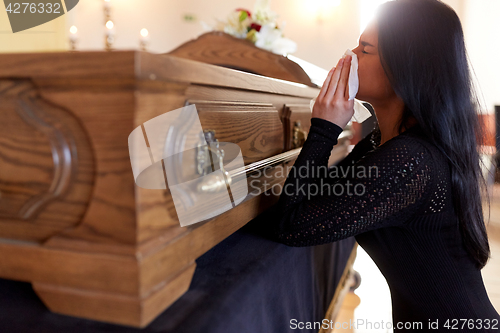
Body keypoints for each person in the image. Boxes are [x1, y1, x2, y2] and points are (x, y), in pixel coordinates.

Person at [268, 0, 500, 330]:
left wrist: (325, 129)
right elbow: (317, 196)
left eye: (364, 48)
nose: (350, 54)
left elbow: (290, 226)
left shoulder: (411, 160)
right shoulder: (384, 143)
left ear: (404, 65)